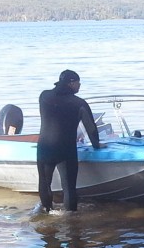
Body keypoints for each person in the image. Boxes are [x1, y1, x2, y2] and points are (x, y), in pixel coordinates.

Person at [37, 69, 104, 212]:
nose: (80, 86)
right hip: (66, 150)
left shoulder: (44, 96)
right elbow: (91, 129)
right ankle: (71, 220)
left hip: (45, 148)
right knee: (69, 188)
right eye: (78, 82)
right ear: (71, 83)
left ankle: (46, 213)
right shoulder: (79, 103)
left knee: (44, 182)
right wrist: (97, 146)